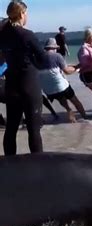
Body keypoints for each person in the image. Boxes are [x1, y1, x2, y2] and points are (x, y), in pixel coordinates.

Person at [0, 0, 48, 155]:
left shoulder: (2, 35)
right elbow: (44, 61)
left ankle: (9, 167)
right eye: (26, 13)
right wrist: (32, 60)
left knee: (11, 129)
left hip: (11, 85)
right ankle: (38, 168)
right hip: (29, 84)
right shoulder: (27, 35)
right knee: (34, 130)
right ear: (21, 14)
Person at [38, 38, 86, 123]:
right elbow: (67, 71)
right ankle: (85, 118)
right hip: (61, 86)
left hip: (48, 90)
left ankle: (68, 109)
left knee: (61, 98)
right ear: (55, 48)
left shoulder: (38, 58)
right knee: (75, 101)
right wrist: (76, 67)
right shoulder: (57, 56)